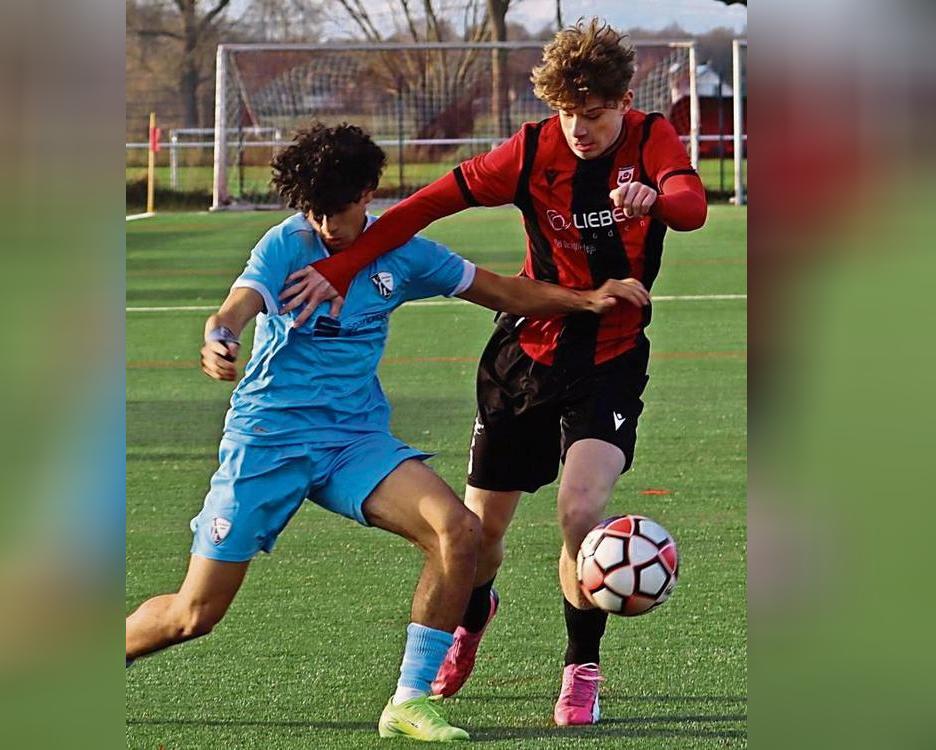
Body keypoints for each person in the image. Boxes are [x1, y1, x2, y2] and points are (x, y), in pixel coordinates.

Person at [125, 122, 640, 742]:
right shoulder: (288, 243)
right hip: (267, 442)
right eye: (313, 211)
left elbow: (502, 289)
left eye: (336, 212)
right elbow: (237, 306)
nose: (325, 226)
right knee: (194, 614)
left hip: (353, 442)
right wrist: (219, 335)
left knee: (460, 531)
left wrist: (586, 300)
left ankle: (410, 699)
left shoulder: (404, 253)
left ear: (368, 192)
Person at [277, 20, 707, 726]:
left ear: (624, 101)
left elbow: (690, 204)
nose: (579, 129)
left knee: (580, 512)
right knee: (480, 538)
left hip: (610, 358)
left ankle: (580, 668)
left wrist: (656, 198)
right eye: (568, 112)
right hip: (525, 356)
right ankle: (473, 620)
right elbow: (423, 207)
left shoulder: (651, 138)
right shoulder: (532, 150)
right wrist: (341, 264)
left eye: (594, 114)